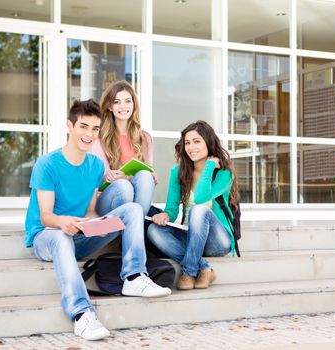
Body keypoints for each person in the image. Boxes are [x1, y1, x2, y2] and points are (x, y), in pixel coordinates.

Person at [24, 99, 171, 342]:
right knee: (61, 236)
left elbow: (91, 211)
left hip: (79, 234)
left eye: (95, 129)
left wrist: (98, 225)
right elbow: (46, 216)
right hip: (47, 235)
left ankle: (134, 276)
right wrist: (64, 223)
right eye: (83, 126)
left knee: (133, 209)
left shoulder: (94, 165)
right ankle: (82, 314)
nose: (89, 134)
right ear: (69, 126)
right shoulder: (47, 164)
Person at [147, 120, 240, 290]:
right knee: (153, 230)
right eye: (187, 143)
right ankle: (204, 268)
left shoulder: (224, 173)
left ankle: (189, 271)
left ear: (208, 143)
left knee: (199, 210)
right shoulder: (178, 172)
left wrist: (210, 166)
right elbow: (172, 210)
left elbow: (201, 197)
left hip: (218, 241)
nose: (191, 147)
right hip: (190, 236)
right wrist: (165, 215)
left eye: (197, 141)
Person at [89, 80, 156, 217]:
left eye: (127, 101)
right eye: (117, 102)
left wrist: (150, 178)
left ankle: (137, 224)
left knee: (145, 175)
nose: (123, 106)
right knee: (123, 186)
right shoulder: (99, 138)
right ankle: (133, 225)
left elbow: (148, 175)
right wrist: (124, 178)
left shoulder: (145, 138)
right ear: (109, 106)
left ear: (133, 104)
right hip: (109, 198)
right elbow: (105, 178)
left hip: (136, 200)